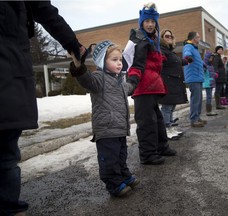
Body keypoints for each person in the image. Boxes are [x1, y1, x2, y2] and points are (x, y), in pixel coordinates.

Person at [0, 2, 83, 215]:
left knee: (6, 154)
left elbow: (46, 12)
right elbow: (47, 14)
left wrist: (72, 43)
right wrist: (73, 44)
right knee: (6, 156)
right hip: (10, 68)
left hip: (9, 71)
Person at [69, 40, 140, 197]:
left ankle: (124, 176)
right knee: (110, 158)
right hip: (106, 129)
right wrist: (79, 66)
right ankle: (114, 184)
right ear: (102, 61)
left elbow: (128, 88)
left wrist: (134, 79)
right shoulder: (98, 78)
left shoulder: (119, 81)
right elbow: (86, 80)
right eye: (114, 60)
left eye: (120, 60)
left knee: (121, 155)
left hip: (120, 128)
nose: (119, 63)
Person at [124, 2, 177, 165]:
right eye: (147, 21)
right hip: (142, 87)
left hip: (152, 86)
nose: (150, 24)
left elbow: (151, 61)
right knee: (147, 122)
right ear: (141, 22)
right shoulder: (139, 39)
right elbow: (136, 63)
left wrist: (161, 58)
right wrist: (132, 81)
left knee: (158, 120)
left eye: (153, 21)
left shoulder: (152, 39)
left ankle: (161, 147)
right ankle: (147, 154)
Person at [158, 29, 190, 140]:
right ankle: (165, 130)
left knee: (171, 107)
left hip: (175, 82)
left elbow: (176, 61)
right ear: (161, 38)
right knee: (167, 107)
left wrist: (185, 61)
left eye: (171, 36)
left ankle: (170, 128)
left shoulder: (170, 51)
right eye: (167, 36)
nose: (169, 38)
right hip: (167, 82)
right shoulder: (161, 50)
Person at [182, 32, 207, 127]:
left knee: (199, 99)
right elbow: (187, 55)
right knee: (195, 99)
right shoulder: (188, 46)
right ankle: (193, 119)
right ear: (193, 38)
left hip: (198, 76)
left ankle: (197, 117)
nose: (199, 38)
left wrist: (203, 64)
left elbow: (199, 61)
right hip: (193, 77)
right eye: (198, 36)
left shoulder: (195, 48)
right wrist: (188, 57)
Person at [203, 51, 218, 116]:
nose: (211, 59)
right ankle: (208, 111)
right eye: (210, 58)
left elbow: (211, 73)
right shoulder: (204, 65)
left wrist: (214, 74)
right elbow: (204, 73)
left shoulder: (211, 65)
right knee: (208, 97)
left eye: (212, 58)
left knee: (210, 96)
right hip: (207, 83)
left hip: (211, 82)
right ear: (207, 58)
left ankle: (209, 110)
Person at [213, 45, 227, 110]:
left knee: (219, 90)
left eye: (221, 49)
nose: (220, 50)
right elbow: (215, 65)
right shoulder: (216, 57)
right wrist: (216, 73)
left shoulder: (219, 57)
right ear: (216, 50)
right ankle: (218, 105)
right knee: (218, 91)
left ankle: (219, 104)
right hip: (219, 76)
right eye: (219, 49)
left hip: (221, 76)